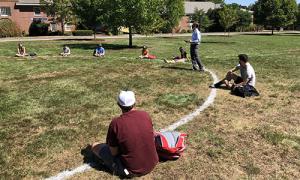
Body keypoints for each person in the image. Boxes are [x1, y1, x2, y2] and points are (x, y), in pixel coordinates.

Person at [91, 90, 159, 178]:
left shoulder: (116, 123)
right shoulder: (145, 115)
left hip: (132, 170)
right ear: (134, 102)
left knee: (95, 146)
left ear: (118, 105)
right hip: (153, 162)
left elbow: (114, 152)